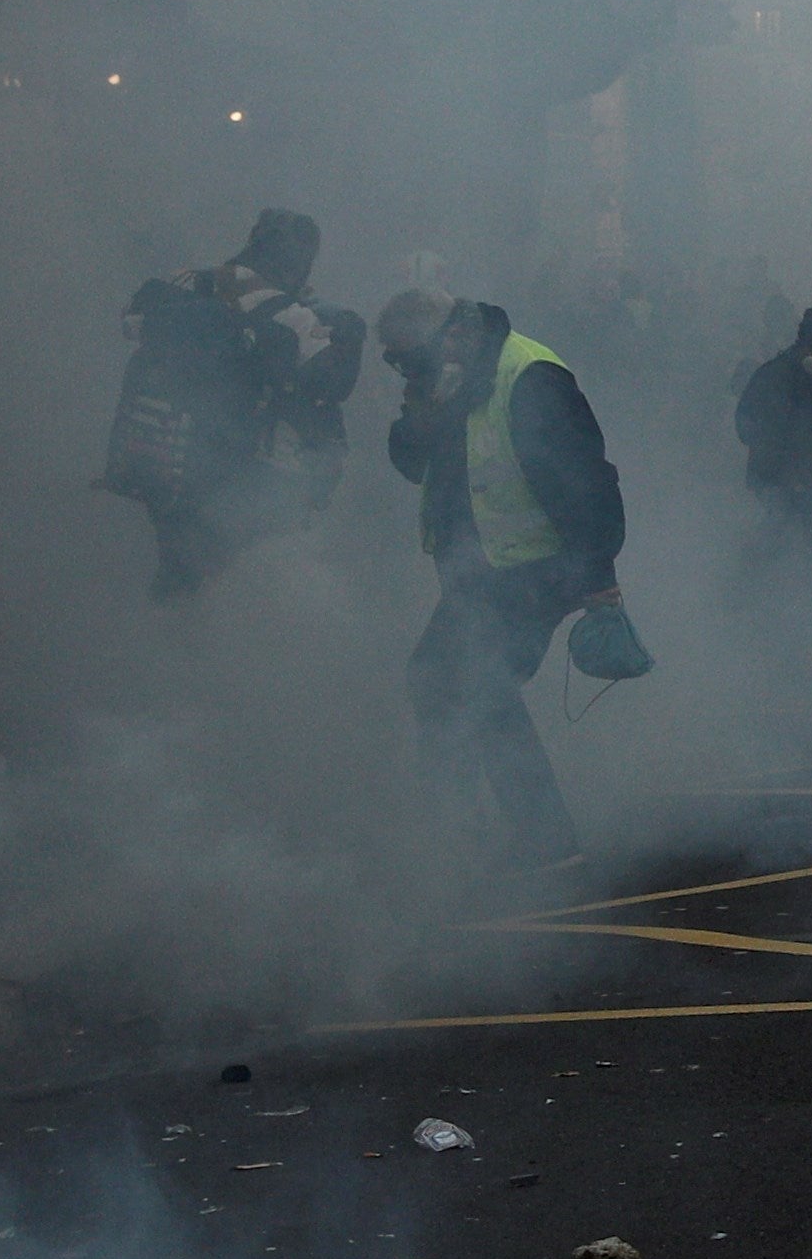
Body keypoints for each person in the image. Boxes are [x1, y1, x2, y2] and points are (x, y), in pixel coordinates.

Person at [381, 288, 627, 870]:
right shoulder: (450, 377)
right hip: (482, 572)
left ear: (444, 334)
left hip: (538, 567)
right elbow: (411, 462)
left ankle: (541, 841)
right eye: (392, 362)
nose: (398, 370)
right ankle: (466, 828)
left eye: (403, 359)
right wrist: (421, 405)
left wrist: (597, 576)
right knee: (440, 680)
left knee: (479, 683)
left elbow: (586, 476)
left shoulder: (528, 374)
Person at [109, 207, 363, 601]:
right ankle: (181, 635)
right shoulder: (291, 316)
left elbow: (133, 322)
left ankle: (155, 621)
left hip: (157, 453)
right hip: (229, 473)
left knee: (176, 567)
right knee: (210, 576)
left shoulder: (187, 281)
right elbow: (332, 384)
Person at [733, 305, 812, 536]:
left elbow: (808, 436)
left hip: (798, 475)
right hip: (772, 474)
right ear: (811, 343)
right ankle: (746, 567)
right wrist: (783, 468)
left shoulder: (809, 379)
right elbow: (752, 424)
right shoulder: (779, 374)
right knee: (781, 525)